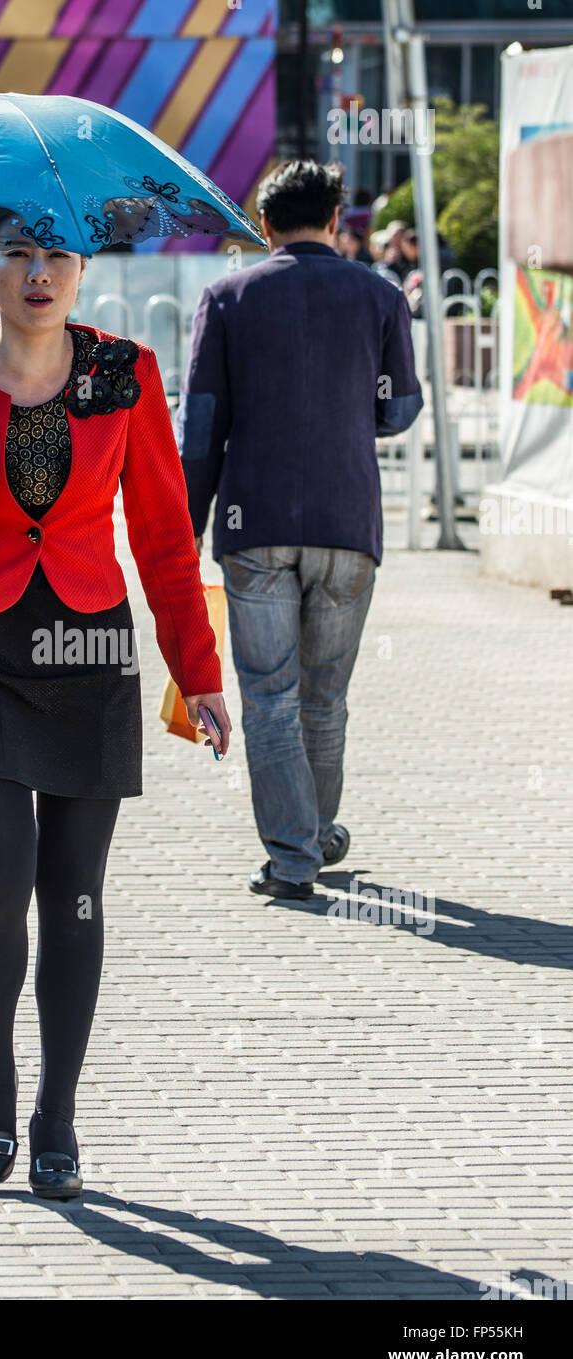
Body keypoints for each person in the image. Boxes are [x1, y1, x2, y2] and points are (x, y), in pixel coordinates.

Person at [0, 210, 231, 1199]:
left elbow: (161, 535)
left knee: (73, 891)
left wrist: (196, 671)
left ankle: (55, 1115)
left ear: (81, 269)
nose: (38, 273)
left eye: (57, 256)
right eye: (18, 254)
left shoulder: (122, 370)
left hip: (85, 652)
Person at [176, 159, 422, 899]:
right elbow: (401, 409)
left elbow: (203, 426)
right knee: (326, 696)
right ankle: (314, 833)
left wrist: (186, 527)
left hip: (256, 524)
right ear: (337, 215)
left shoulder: (227, 298)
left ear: (264, 221)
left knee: (271, 695)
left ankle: (294, 856)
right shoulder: (380, 296)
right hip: (349, 521)